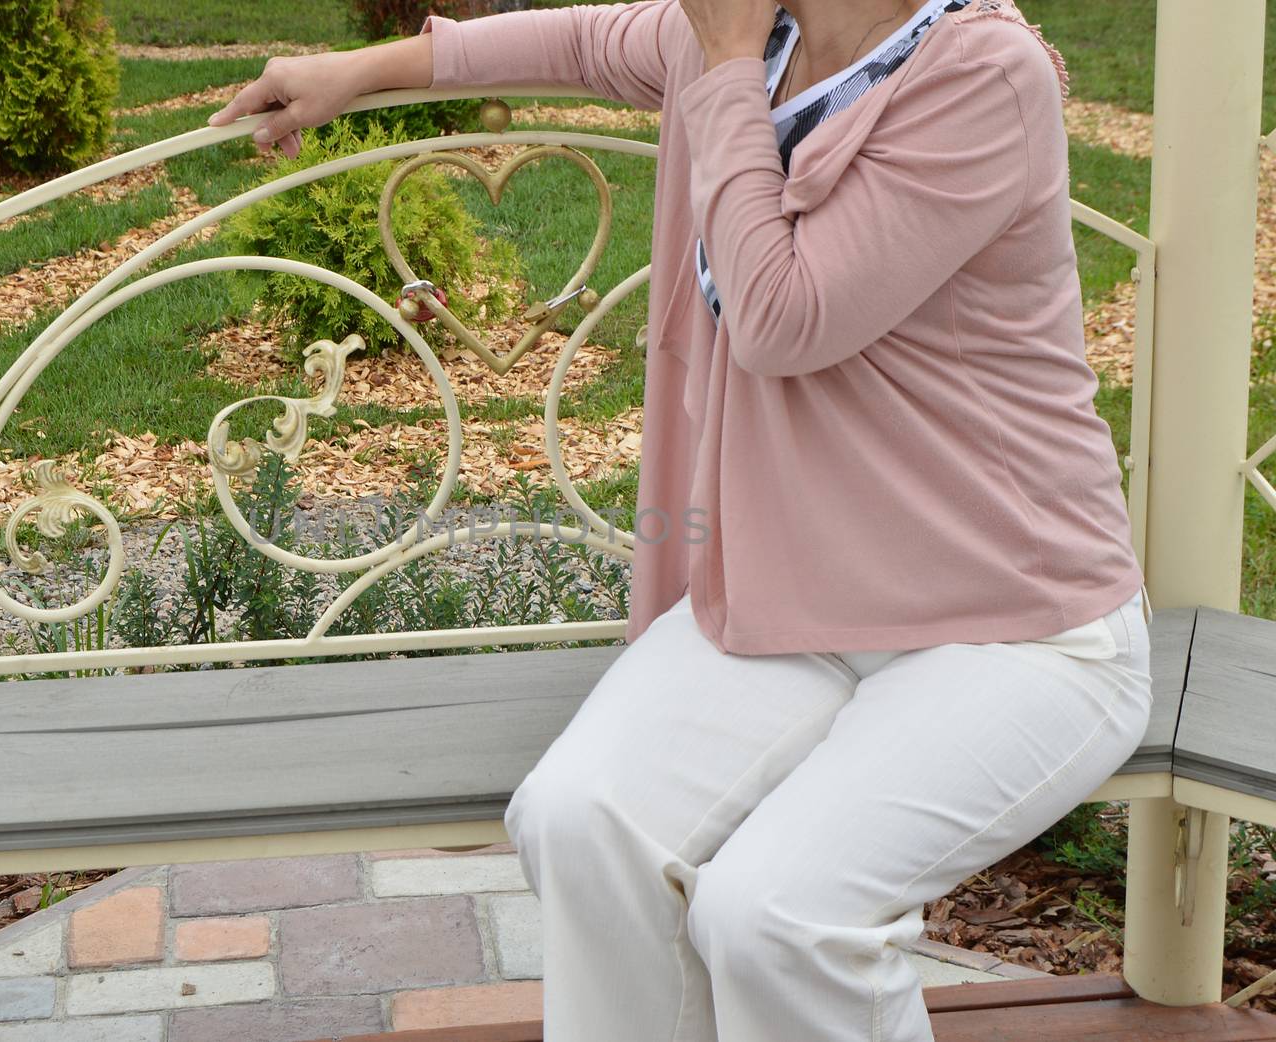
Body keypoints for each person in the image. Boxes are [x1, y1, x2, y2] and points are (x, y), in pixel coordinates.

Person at [210, 2, 1153, 1039]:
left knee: (778, 916)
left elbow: (782, 319)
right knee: (577, 821)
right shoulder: (745, 28)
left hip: (1012, 622)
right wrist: (353, 70)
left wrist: (727, 73)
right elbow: (571, 45)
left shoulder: (978, 73)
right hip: (796, 597)